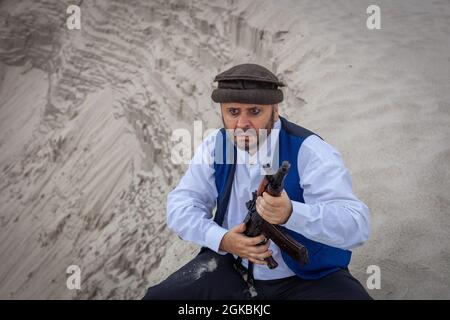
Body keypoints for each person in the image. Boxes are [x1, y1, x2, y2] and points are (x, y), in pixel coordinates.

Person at [143, 63, 372, 300]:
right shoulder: (216, 146)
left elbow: (356, 225)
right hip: (233, 270)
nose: (242, 124)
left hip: (309, 280)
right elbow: (180, 206)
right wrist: (223, 240)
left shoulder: (310, 151)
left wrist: (292, 213)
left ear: (275, 109)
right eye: (233, 112)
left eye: (254, 111)